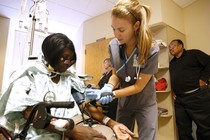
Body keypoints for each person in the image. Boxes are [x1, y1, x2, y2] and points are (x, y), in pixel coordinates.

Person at [0, 33, 134, 140]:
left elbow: (84, 105)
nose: (68, 63)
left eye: (71, 59)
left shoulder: (68, 77)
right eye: (63, 58)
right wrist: (71, 132)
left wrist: (111, 123)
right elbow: (30, 113)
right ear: (51, 55)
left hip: (73, 123)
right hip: (41, 131)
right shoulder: (30, 74)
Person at [86, 0, 159, 139]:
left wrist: (113, 94)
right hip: (124, 102)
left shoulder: (150, 49)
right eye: (113, 28)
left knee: (148, 137)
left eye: (121, 30)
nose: (116, 34)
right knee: (121, 135)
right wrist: (109, 86)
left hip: (145, 102)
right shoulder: (113, 45)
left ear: (136, 26)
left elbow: (138, 86)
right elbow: (115, 75)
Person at [169, 39, 210, 140]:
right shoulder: (172, 63)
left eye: (173, 45)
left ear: (181, 46)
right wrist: (174, 90)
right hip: (179, 100)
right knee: (183, 129)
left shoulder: (193, 54)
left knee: (204, 127)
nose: (170, 48)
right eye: (169, 47)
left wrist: (203, 79)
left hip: (197, 96)